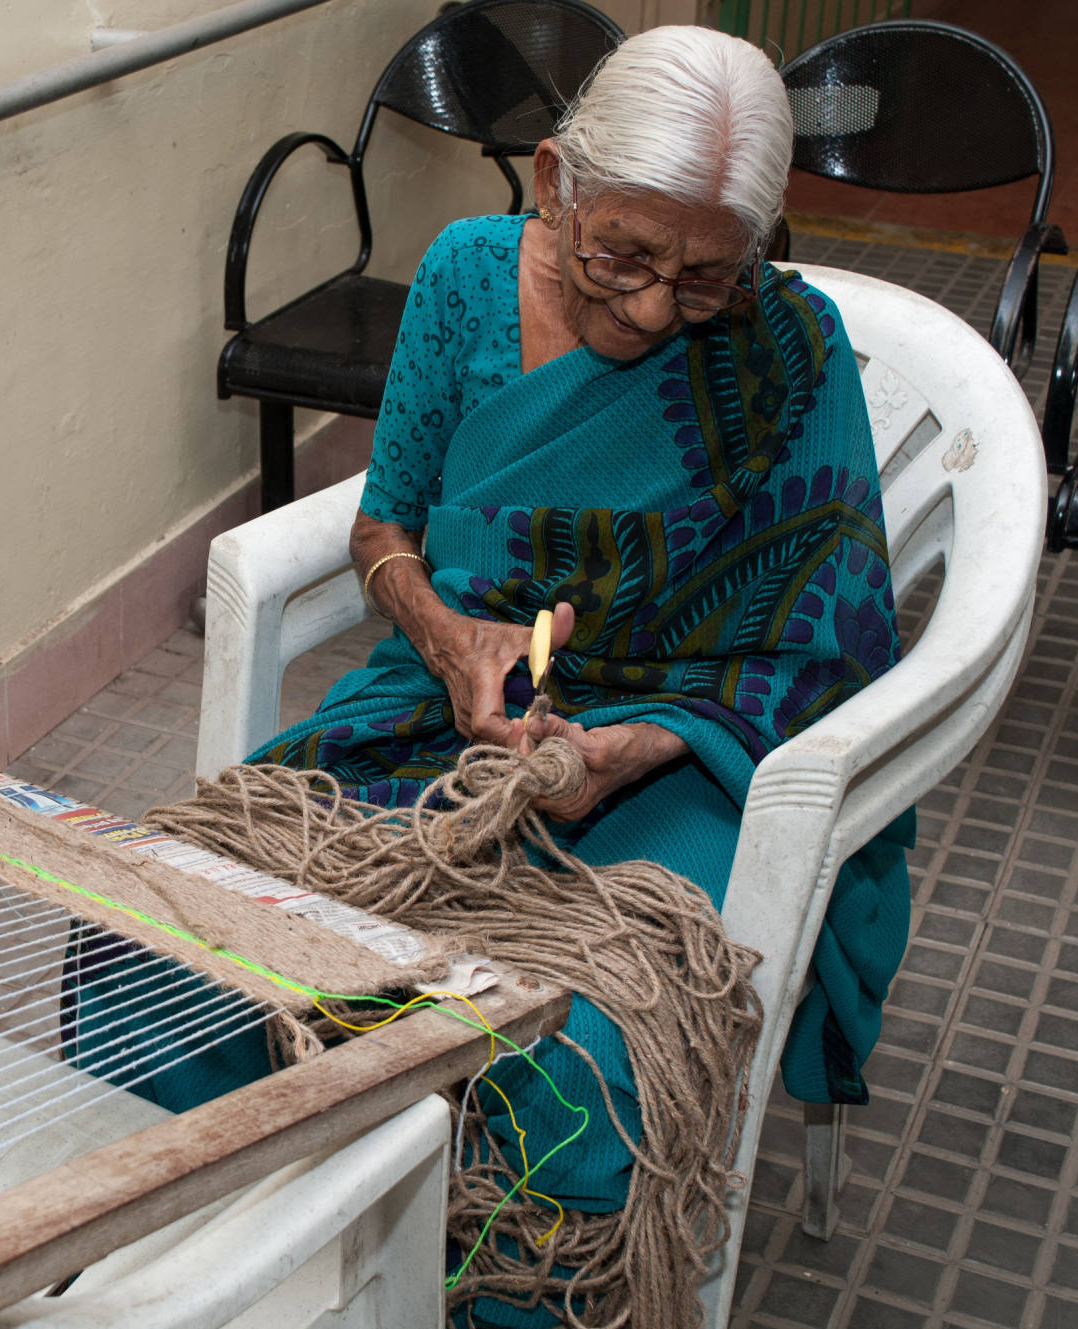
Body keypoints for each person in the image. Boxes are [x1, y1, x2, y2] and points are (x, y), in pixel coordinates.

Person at [241, 23, 913, 1326]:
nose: (658, 307)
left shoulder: (788, 350)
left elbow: (828, 638)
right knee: (210, 930)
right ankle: (287, 1265)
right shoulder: (462, 277)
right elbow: (385, 527)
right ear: (554, 180)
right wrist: (449, 641)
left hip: (687, 739)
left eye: (706, 279)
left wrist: (649, 741)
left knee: (583, 1048)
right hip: (455, 714)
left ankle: (510, 1298)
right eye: (625, 257)